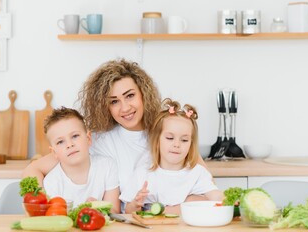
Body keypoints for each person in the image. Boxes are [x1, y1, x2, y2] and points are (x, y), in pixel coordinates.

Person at [22, 59, 213, 198]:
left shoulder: (167, 131)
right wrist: (40, 204)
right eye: (114, 101)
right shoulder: (96, 140)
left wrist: (181, 205)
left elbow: (205, 182)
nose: (125, 108)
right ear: (105, 107)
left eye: (129, 96)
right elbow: (32, 171)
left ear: (143, 94)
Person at [120, 98, 224, 214]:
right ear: (157, 141)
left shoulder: (197, 173)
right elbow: (128, 210)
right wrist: (135, 204)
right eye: (170, 138)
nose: (177, 144)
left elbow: (216, 196)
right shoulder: (143, 173)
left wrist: (231, 201)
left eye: (184, 140)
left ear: (191, 144)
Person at [42, 106, 120, 212]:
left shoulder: (107, 166)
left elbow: (114, 210)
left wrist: (100, 208)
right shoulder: (51, 182)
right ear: (54, 152)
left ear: (88, 138)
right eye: (60, 142)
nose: (69, 144)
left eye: (75, 136)